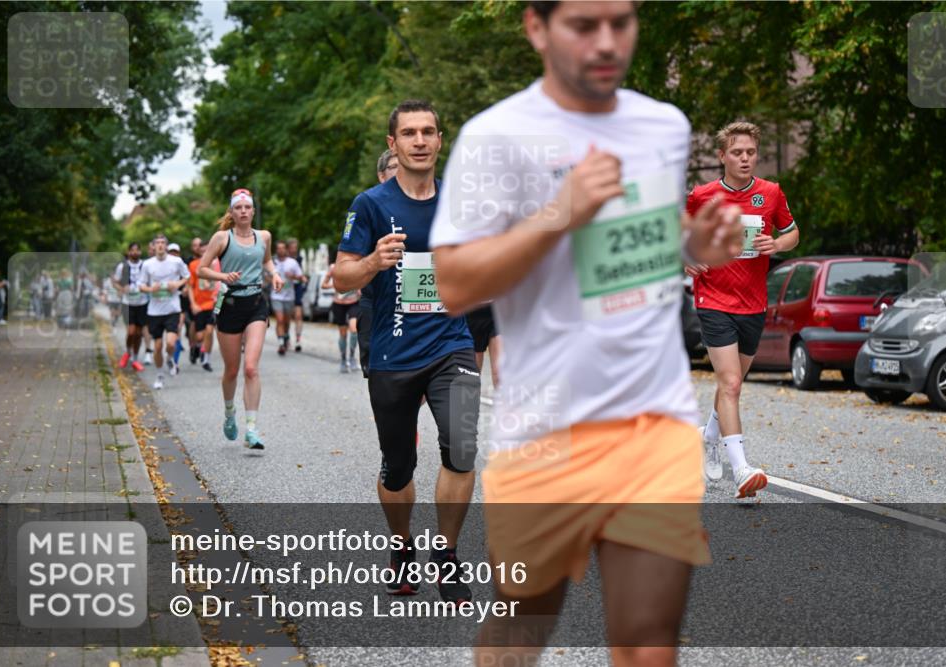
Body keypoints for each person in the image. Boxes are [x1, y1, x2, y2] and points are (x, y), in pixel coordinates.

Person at [429, 2, 744, 664]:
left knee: (649, 640)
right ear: (536, 27)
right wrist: (558, 212)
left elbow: (643, 238)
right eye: (583, 24)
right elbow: (455, 282)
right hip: (545, 430)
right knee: (519, 630)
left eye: (621, 22)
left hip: (655, 420)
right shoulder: (497, 136)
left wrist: (695, 243)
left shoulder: (664, 126)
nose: (607, 42)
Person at [333, 100, 480, 604]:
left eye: (429, 132)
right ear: (393, 145)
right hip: (394, 353)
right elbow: (341, 274)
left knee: (461, 450)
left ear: (440, 141)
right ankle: (401, 548)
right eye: (409, 133)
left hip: (452, 344)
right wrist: (373, 259)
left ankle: (447, 554)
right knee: (398, 467)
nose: (420, 140)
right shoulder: (371, 204)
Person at [685, 120, 799, 499]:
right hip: (713, 299)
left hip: (753, 302)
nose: (745, 158)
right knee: (730, 382)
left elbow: (793, 233)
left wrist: (777, 245)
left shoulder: (771, 193)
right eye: (737, 152)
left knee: (733, 383)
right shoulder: (702, 196)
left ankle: (709, 438)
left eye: (750, 152)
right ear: (722, 156)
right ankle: (742, 470)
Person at [198, 188, 284, 450]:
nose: (244, 212)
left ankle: (252, 429)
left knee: (251, 368)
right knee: (232, 370)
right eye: (239, 208)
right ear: (232, 212)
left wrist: (275, 274)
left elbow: (267, 262)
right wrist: (222, 277)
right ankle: (228, 412)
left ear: (253, 211)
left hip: (256, 303)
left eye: (248, 207)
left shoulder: (264, 236)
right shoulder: (222, 238)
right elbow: (202, 269)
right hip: (230, 305)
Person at [356, 148, 400, 378]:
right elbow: (348, 265)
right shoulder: (368, 206)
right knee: (380, 377)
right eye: (395, 167)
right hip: (376, 303)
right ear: (381, 175)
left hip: (418, 308)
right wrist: (374, 259)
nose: (401, 172)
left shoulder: (429, 204)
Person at [139, 235, 191, 390]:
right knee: (157, 346)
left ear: (166, 246)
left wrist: (177, 284)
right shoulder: (147, 264)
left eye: (163, 243)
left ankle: (170, 359)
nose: (160, 245)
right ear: (153, 247)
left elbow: (187, 277)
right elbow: (141, 285)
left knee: (170, 343)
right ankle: (160, 375)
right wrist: (150, 289)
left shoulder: (176, 261)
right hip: (154, 311)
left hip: (172, 309)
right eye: (157, 243)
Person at [114, 243, 147, 372]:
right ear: (128, 252)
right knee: (131, 331)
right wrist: (122, 289)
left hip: (142, 302)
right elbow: (115, 281)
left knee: (139, 333)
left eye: (137, 250)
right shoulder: (122, 266)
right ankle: (127, 352)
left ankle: (135, 359)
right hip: (127, 303)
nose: (134, 252)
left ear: (140, 251)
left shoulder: (145, 265)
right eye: (132, 250)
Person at [322, 263, 360, 372]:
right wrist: (335, 286)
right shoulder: (333, 268)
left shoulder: (356, 265)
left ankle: (352, 357)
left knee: (354, 330)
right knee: (343, 333)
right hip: (338, 304)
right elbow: (323, 285)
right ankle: (343, 360)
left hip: (353, 303)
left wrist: (359, 288)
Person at [188, 239, 219, 372]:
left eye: (208, 250)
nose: (206, 252)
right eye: (203, 250)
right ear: (199, 251)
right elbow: (190, 286)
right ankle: (196, 346)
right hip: (199, 305)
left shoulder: (217, 264)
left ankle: (206, 359)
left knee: (210, 331)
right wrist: (193, 304)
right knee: (200, 335)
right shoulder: (194, 265)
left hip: (213, 303)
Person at [269, 241, 302, 356]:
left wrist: (292, 276)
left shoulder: (292, 263)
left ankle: (286, 335)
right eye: (278, 248)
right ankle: (281, 343)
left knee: (287, 321)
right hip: (276, 295)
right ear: (276, 250)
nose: (280, 250)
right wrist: (271, 279)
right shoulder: (272, 262)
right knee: (280, 319)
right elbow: (266, 276)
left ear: (286, 250)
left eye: (283, 248)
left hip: (289, 296)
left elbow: (302, 278)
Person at [286, 238, 308, 352]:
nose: (295, 249)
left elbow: (301, 276)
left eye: (296, 247)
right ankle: (286, 338)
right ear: (288, 248)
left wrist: (297, 278)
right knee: (287, 317)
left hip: (297, 288)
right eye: (293, 247)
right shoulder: (282, 259)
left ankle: (298, 340)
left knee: (298, 315)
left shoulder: (299, 259)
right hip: (286, 289)